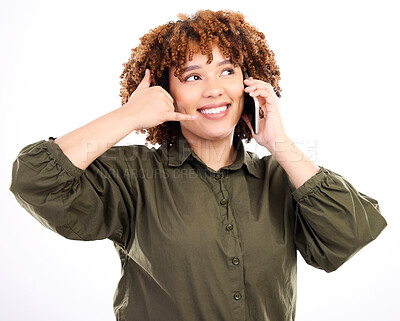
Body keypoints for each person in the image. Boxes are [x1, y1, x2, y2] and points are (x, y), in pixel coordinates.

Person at [10, 9, 387, 321]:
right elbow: (35, 178)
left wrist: (281, 144)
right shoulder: (133, 177)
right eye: (193, 76)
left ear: (249, 82)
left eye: (227, 71)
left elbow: (350, 234)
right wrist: (127, 116)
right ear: (165, 93)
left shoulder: (280, 176)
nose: (214, 90)